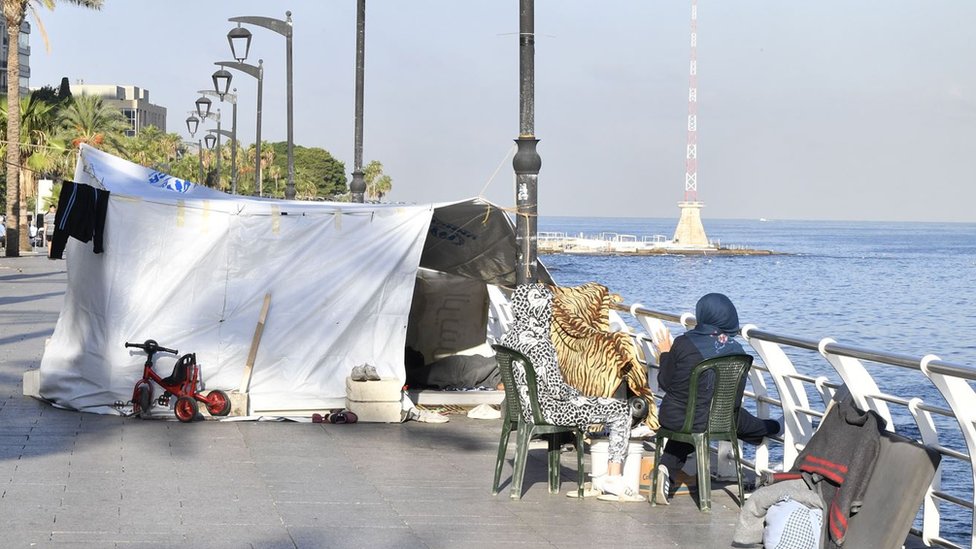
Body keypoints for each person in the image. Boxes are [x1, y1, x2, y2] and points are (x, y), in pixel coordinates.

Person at [502, 283, 640, 500]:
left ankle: (599, 475)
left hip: (523, 409)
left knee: (596, 405)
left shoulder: (509, 339)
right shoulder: (540, 344)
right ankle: (613, 477)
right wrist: (580, 396)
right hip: (548, 411)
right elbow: (556, 389)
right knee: (619, 410)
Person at [650, 293, 781, 505]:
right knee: (746, 423)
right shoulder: (736, 350)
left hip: (675, 418)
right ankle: (774, 427)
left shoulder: (682, 343)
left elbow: (665, 382)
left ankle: (666, 467)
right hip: (720, 421)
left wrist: (665, 353)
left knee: (692, 424)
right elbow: (734, 400)